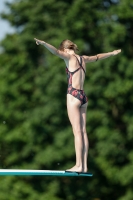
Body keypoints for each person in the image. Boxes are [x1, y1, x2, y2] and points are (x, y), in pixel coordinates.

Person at [34, 38, 121, 173]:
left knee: (77, 132)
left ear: (64, 49)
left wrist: (44, 43)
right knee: (83, 131)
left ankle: (78, 165)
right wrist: (112, 53)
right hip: (83, 97)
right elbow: (97, 57)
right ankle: (84, 166)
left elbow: (55, 52)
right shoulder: (83, 58)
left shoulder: (68, 57)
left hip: (73, 96)